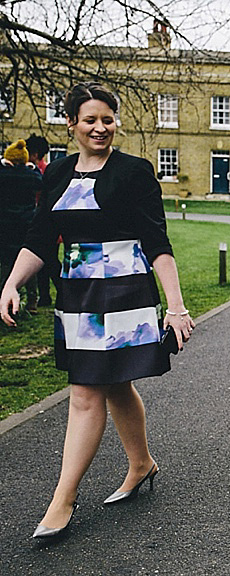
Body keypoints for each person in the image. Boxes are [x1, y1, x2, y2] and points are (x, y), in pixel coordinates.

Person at [0, 81, 195, 540]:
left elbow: (157, 244)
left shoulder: (134, 172)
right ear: (71, 124)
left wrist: (177, 307)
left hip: (125, 291)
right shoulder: (57, 174)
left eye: (107, 119)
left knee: (90, 390)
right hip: (79, 296)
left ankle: (62, 499)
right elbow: (40, 237)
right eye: (90, 120)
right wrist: (11, 283)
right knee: (110, 385)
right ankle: (142, 463)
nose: (100, 127)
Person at [0, 140, 43, 313]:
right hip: (26, 222)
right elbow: (40, 182)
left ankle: (5, 296)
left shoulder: (2, 175)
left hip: (5, 224)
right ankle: (32, 299)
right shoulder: (31, 176)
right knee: (26, 261)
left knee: (5, 263)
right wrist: (31, 167)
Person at [25, 133, 58, 307]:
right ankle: (45, 296)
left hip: (46, 223)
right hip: (41, 222)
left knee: (50, 261)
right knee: (45, 262)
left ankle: (59, 291)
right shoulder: (43, 170)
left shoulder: (41, 172)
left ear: (35, 154)